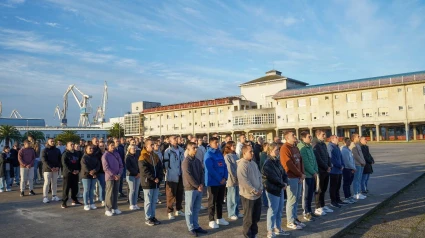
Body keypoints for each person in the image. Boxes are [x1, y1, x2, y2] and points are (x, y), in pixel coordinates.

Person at [262, 142, 290, 237]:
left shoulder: (277, 161)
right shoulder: (268, 163)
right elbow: (272, 177)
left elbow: (284, 173)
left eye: (278, 149)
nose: (278, 151)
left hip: (280, 188)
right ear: (270, 151)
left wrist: (285, 182)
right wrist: (282, 184)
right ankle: (270, 230)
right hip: (272, 189)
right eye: (276, 150)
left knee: (279, 210)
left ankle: (277, 227)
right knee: (273, 210)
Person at [281, 131, 306, 230]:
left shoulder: (295, 147)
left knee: (296, 199)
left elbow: (300, 161)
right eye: (293, 135)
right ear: (287, 138)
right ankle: (290, 221)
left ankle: (295, 218)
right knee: (291, 200)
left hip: (299, 176)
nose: (295, 136)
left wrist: (302, 174)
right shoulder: (285, 148)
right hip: (291, 177)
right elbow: (289, 165)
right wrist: (299, 174)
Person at [182, 142, 208, 236]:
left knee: (196, 208)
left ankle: (196, 226)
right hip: (190, 188)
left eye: (196, 147)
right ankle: (191, 227)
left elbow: (202, 172)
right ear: (188, 150)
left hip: (198, 188)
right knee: (189, 209)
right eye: (194, 148)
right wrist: (197, 185)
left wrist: (201, 184)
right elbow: (188, 176)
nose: (196, 149)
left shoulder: (197, 161)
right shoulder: (186, 162)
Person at [237, 145, 263, 238]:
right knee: (249, 219)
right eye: (250, 152)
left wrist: (260, 188)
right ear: (244, 153)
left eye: (252, 151)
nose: (252, 153)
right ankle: (248, 235)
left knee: (256, 217)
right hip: (248, 196)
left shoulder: (253, 163)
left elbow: (259, 177)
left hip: (257, 195)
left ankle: (254, 234)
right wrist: (254, 190)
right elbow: (244, 181)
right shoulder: (242, 165)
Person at [204, 137, 229, 229]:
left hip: (222, 181)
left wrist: (225, 177)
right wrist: (219, 179)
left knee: (220, 201)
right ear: (210, 144)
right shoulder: (208, 154)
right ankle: (211, 220)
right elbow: (210, 169)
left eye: (217, 142)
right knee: (212, 202)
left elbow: (224, 165)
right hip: (213, 182)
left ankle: (220, 217)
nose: (217, 144)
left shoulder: (219, 153)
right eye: (215, 143)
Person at [139, 139, 163, 225]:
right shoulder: (143, 156)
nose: (153, 146)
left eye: (153, 144)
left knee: (153, 201)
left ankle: (152, 216)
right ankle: (148, 217)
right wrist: (153, 178)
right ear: (146, 146)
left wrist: (159, 178)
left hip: (156, 182)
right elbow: (144, 170)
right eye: (151, 145)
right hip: (148, 182)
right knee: (148, 201)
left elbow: (160, 167)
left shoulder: (155, 156)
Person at [297, 132, 319, 221]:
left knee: (310, 194)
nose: (311, 138)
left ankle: (310, 210)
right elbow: (305, 163)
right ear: (303, 138)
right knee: (306, 195)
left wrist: (316, 170)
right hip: (307, 175)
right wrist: (313, 172)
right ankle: (306, 212)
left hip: (313, 174)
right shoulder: (302, 148)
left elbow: (314, 160)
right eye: (309, 137)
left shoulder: (309, 147)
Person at [163, 135, 185, 220]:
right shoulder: (168, 151)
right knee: (170, 194)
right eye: (174, 139)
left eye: (177, 139)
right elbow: (165, 164)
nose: (176, 140)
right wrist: (167, 172)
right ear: (170, 141)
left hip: (180, 175)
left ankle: (178, 209)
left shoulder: (181, 150)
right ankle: (170, 211)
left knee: (180, 193)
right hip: (171, 175)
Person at [312, 130, 333, 216]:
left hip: (326, 170)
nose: (325, 136)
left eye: (325, 134)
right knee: (319, 189)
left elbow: (327, 156)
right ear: (317, 135)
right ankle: (317, 207)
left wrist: (329, 165)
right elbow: (318, 158)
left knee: (324, 189)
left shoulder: (323, 144)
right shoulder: (315, 144)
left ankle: (323, 205)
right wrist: (326, 167)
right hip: (320, 171)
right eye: (323, 134)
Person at [102, 141, 124, 216]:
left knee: (115, 192)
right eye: (111, 145)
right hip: (110, 177)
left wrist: (119, 174)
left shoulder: (116, 153)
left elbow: (121, 165)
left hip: (117, 176)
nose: (113, 147)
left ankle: (115, 207)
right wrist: (113, 175)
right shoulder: (105, 155)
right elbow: (106, 168)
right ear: (107, 146)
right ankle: (108, 209)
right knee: (109, 193)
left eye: (113, 145)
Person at [223, 141, 242, 220]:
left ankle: (236, 211)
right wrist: (234, 177)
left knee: (237, 197)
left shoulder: (235, 155)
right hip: (231, 179)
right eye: (232, 145)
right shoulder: (227, 156)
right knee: (232, 197)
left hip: (238, 179)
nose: (234, 146)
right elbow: (229, 168)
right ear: (229, 146)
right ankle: (231, 213)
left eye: (234, 145)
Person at [61, 141, 82, 208]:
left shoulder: (76, 153)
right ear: (67, 146)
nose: (72, 146)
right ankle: (64, 202)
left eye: (73, 144)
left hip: (76, 173)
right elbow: (64, 164)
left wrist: (78, 170)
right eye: (71, 145)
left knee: (75, 187)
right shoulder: (65, 154)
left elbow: (79, 162)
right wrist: (72, 170)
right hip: (68, 174)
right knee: (66, 188)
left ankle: (74, 200)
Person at [328, 135, 346, 208]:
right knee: (333, 186)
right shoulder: (330, 147)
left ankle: (338, 199)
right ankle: (333, 201)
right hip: (334, 170)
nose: (338, 138)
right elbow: (332, 158)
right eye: (336, 138)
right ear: (332, 139)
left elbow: (341, 157)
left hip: (339, 170)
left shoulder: (337, 146)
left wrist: (343, 165)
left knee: (338, 186)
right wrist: (339, 165)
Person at [41, 138, 62, 203]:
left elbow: (60, 159)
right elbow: (44, 160)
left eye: (53, 141)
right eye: (51, 141)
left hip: (56, 169)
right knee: (47, 183)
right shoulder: (45, 150)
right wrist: (51, 167)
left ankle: (54, 195)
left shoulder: (57, 150)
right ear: (48, 142)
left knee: (54, 183)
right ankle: (45, 197)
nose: (53, 142)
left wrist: (58, 167)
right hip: (47, 169)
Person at [80, 145, 100, 210]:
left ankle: (92, 203)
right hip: (86, 176)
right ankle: (86, 204)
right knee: (86, 190)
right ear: (86, 149)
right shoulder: (84, 157)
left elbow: (98, 165)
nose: (91, 149)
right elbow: (84, 166)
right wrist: (90, 172)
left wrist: (95, 171)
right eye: (90, 148)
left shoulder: (95, 157)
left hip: (94, 175)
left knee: (92, 190)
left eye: (92, 148)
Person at [350, 134, 366, 200]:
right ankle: (356, 193)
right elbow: (356, 156)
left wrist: (363, 161)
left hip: (361, 164)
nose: (359, 137)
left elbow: (361, 155)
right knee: (356, 180)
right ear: (354, 138)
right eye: (358, 137)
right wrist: (362, 162)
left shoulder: (357, 145)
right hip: (357, 164)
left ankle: (359, 192)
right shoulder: (352, 145)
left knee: (359, 179)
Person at [341, 137, 356, 204]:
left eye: (350, 141)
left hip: (351, 168)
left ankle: (349, 196)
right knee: (346, 183)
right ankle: (347, 197)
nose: (349, 142)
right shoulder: (344, 150)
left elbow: (352, 160)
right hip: (347, 169)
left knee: (349, 183)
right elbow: (347, 161)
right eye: (348, 141)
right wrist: (353, 168)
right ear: (344, 142)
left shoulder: (348, 149)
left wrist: (353, 168)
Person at [126, 144, 141, 211]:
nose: (134, 150)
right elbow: (128, 167)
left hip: (138, 175)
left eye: (135, 148)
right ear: (129, 150)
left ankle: (135, 203)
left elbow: (139, 165)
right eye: (133, 149)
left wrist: (139, 173)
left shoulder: (136, 156)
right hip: (130, 175)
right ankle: (131, 204)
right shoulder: (127, 157)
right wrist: (136, 173)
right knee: (132, 190)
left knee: (136, 190)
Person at [93, 138, 106, 206]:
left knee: (105, 186)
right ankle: (102, 199)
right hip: (100, 171)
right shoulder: (97, 154)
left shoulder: (107, 153)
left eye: (103, 146)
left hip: (107, 172)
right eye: (100, 146)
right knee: (101, 186)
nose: (102, 147)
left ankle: (103, 197)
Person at [259, 142, 269, 207]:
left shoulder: (266, 154)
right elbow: (265, 164)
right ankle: (265, 202)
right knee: (265, 188)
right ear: (265, 147)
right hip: (264, 174)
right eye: (268, 146)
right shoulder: (263, 155)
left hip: (265, 174)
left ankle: (266, 202)